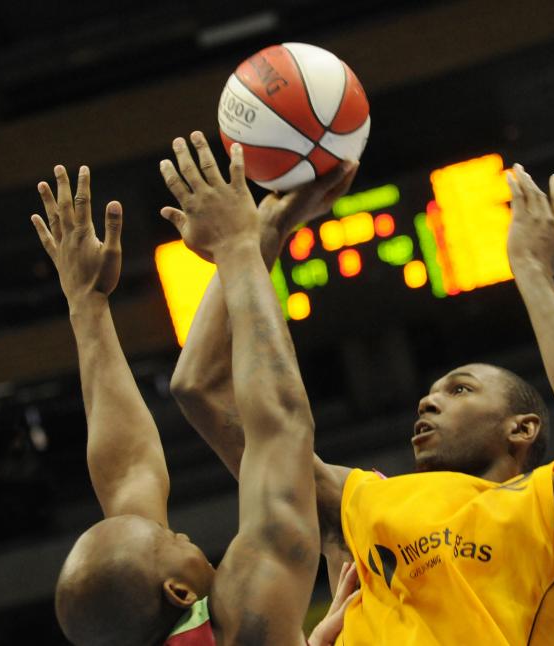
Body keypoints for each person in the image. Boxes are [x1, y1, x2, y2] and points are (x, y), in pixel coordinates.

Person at [170, 152, 554, 644]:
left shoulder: (547, 509)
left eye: (460, 389)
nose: (427, 402)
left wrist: (532, 273)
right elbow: (198, 387)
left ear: (521, 429)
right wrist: (259, 233)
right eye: (433, 393)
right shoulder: (364, 505)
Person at [30, 152, 354, 645]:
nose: (181, 534)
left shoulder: (152, 626)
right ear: (179, 592)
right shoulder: (242, 625)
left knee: (195, 390)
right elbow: (280, 429)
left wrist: (87, 304)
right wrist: (238, 243)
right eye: (172, 540)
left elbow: (129, 473)